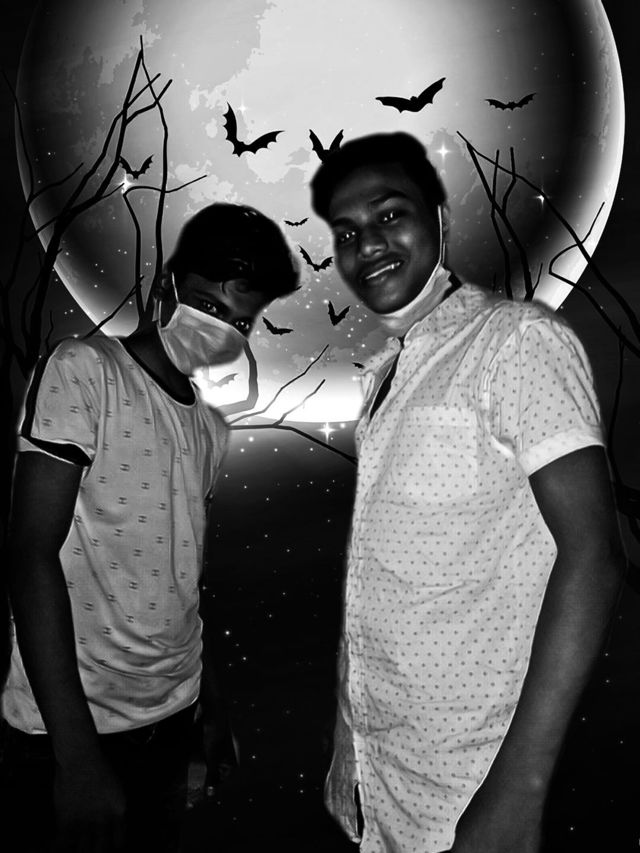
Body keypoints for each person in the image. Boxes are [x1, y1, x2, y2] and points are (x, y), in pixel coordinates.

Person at [310, 133, 625, 853]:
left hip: (473, 784)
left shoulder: (516, 343)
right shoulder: (382, 377)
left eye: (390, 214)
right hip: (387, 776)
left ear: (441, 219)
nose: (368, 244)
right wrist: (348, 744)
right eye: (347, 232)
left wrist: (519, 790)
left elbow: (594, 557)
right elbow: (376, 580)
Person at [0, 202, 299, 852]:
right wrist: (77, 757)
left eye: (240, 319)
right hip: (71, 727)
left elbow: (181, 576)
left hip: (171, 716)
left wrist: (209, 702)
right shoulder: (84, 371)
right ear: (167, 284)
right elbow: (30, 555)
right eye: (208, 304)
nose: (222, 329)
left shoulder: (209, 428)